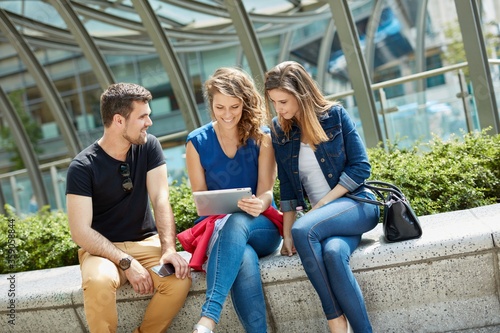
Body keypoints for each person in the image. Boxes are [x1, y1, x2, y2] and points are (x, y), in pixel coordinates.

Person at [264, 61, 380, 333]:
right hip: (322, 222)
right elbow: (288, 186)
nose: (279, 109)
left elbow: (361, 167)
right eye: (273, 102)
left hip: (356, 205)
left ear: (301, 93)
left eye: (283, 101)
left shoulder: (335, 115)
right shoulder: (280, 130)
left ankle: (335, 321)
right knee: (333, 253)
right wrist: (287, 232)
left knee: (306, 229)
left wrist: (324, 204)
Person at [65, 82, 191, 333]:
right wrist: (126, 262)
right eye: (142, 116)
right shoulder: (82, 167)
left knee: (178, 280)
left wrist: (168, 249)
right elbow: (80, 232)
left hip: (146, 243)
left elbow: (160, 198)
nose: (149, 122)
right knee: (98, 282)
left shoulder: (149, 146)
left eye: (149, 115)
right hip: (101, 252)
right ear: (119, 120)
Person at [184, 67, 282, 333]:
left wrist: (259, 204)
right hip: (219, 230)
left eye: (234, 107)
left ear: (245, 103)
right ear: (211, 105)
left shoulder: (262, 138)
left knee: (239, 221)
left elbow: (266, 191)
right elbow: (202, 202)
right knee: (244, 256)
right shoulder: (196, 143)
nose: (227, 115)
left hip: (261, 227)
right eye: (220, 107)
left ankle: (208, 317)